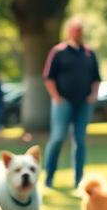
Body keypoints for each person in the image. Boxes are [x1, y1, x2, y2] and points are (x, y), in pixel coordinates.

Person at [42, 17, 101, 189]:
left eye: (80, 30)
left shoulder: (89, 53)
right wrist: (56, 97)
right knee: (58, 137)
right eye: (75, 30)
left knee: (80, 141)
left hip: (83, 103)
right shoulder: (58, 52)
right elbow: (48, 77)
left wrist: (93, 95)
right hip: (63, 102)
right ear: (69, 31)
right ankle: (49, 176)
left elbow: (96, 78)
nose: (77, 33)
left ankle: (79, 179)